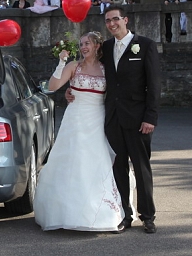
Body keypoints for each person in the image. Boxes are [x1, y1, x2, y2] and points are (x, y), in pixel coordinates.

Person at [69, 5, 161, 233]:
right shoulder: (106, 48)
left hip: (139, 119)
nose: (111, 24)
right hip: (112, 119)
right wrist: (70, 89)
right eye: (108, 20)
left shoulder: (146, 45)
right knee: (118, 168)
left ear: (125, 20)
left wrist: (150, 117)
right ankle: (125, 214)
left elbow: (154, 86)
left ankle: (147, 216)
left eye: (115, 19)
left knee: (141, 169)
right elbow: (88, 68)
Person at [33, 31, 124, 233]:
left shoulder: (106, 69)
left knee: (96, 162)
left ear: (97, 46)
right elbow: (53, 85)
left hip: (98, 119)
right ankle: (65, 213)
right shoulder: (74, 66)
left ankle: (100, 213)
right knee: (72, 162)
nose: (83, 47)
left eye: (88, 43)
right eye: (81, 43)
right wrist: (61, 61)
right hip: (75, 119)